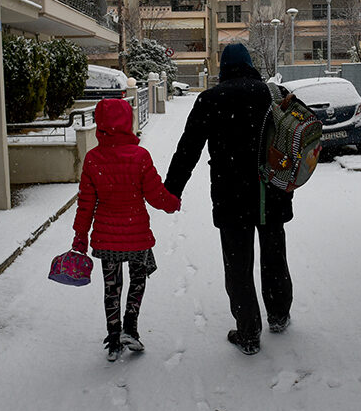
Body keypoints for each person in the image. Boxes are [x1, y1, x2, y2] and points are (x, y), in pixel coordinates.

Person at [165, 43, 294, 355]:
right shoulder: (274, 94)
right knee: (274, 255)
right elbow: (297, 135)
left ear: (223, 68)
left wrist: (172, 189)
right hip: (271, 191)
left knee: (238, 265)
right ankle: (278, 315)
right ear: (250, 64)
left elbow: (189, 148)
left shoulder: (211, 99)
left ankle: (249, 333)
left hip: (231, 193)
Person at [72, 98, 180, 362]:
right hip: (137, 235)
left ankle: (113, 338)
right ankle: (130, 327)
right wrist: (172, 203)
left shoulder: (93, 159)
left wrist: (80, 237)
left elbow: (86, 203)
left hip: (106, 237)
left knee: (112, 287)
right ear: (127, 122)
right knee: (138, 280)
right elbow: (155, 195)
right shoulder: (139, 156)